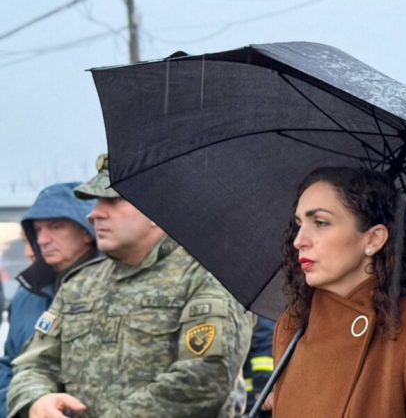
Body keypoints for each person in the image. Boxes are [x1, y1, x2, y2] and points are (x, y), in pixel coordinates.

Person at [7, 154, 253, 418]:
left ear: (155, 210)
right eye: (97, 202)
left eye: (113, 201)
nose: (94, 214)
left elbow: (205, 378)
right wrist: (37, 400)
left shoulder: (206, 276)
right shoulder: (79, 284)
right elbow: (33, 364)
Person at [267, 166, 406, 418]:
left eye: (320, 223)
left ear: (374, 239)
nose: (299, 240)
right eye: (299, 224)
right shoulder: (292, 326)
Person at [0, 183, 99, 414]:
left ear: (87, 230)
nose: (43, 239)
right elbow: (10, 362)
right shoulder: (27, 293)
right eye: (37, 230)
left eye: (56, 226)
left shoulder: (118, 285)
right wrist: (21, 409)